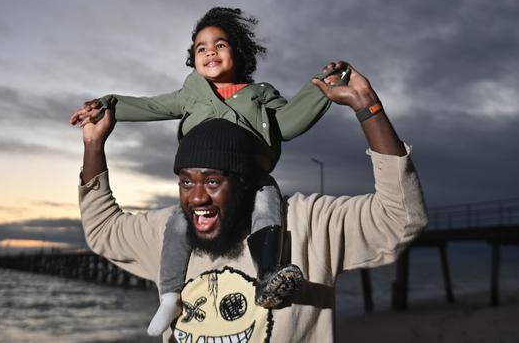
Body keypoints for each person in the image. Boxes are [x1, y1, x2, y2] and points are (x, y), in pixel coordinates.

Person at [75, 62, 428, 342]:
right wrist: (93, 144)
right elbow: (104, 230)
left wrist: (369, 108)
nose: (197, 196)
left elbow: (399, 218)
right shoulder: (169, 233)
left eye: (213, 181)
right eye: (186, 181)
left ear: (244, 183)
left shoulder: (306, 225)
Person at [69, 7, 348, 336]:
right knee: (177, 224)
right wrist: (105, 104)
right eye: (201, 48)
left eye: (220, 44)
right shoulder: (191, 93)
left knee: (268, 206)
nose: (210, 52)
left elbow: (287, 125)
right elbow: (150, 106)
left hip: (249, 179)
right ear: (193, 58)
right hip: (206, 185)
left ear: (238, 52)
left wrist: (320, 88)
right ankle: (170, 296)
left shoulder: (260, 96)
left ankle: (268, 277)